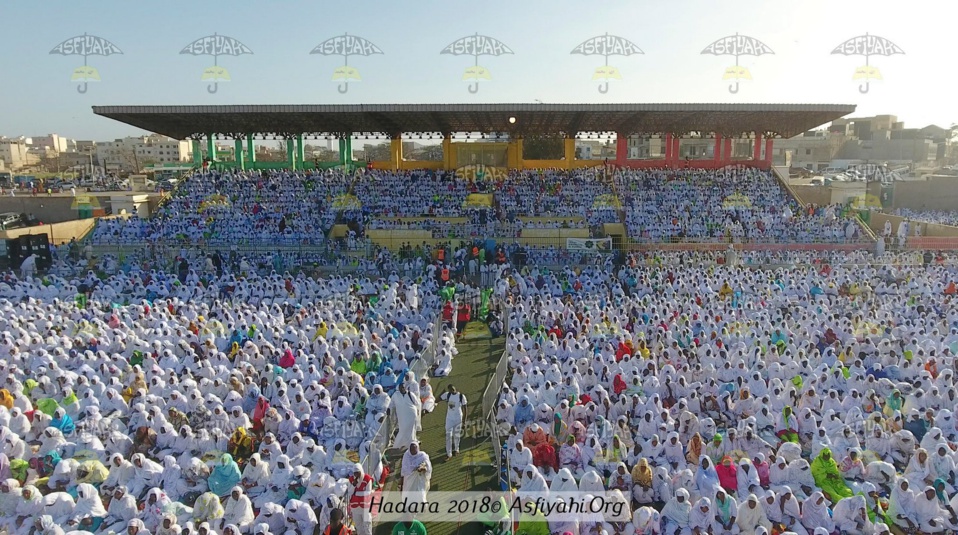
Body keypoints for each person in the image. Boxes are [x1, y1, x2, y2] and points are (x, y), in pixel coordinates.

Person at [439, 385, 466, 459]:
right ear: (449, 390)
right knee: (448, 436)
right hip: (449, 419)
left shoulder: (461, 396)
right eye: (451, 390)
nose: (452, 391)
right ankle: (449, 454)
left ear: (455, 388)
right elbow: (437, 400)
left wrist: (464, 421)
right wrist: (441, 393)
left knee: (456, 435)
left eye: (453, 389)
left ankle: (456, 449)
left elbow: (465, 408)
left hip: (458, 418)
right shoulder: (447, 395)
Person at [348, 464, 373, 535]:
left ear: (361, 471)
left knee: (367, 525)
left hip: (365, 507)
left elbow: (368, 493)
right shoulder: (351, 480)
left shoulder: (367, 479)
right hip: (355, 507)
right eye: (354, 473)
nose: (356, 475)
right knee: (358, 526)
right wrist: (353, 485)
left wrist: (356, 494)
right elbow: (350, 492)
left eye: (357, 473)